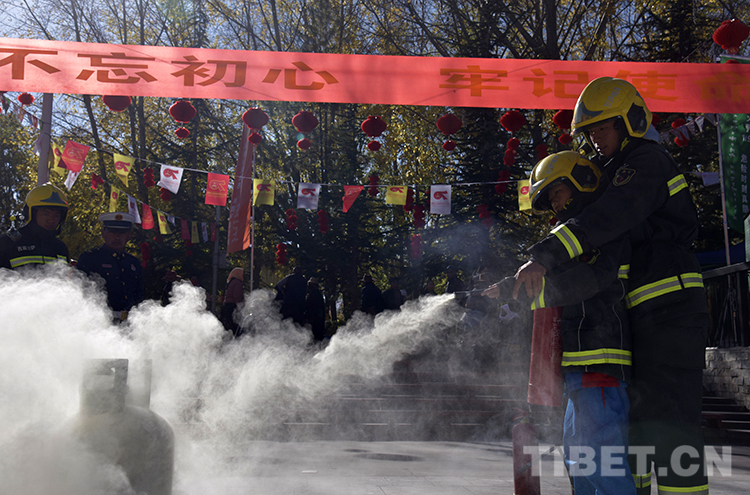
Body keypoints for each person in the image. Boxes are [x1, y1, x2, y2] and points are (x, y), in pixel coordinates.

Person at [513, 77, 709, 495]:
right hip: (641, 315)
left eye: (602, 128)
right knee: (635, 429)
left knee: (670, 424)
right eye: (590, 133)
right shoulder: (614, 172)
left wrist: (545, 255)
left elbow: (609, 217)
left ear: (629, 120)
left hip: (670, 307)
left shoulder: (646, 161)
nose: (596, 140)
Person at [486, 151, 634, 494]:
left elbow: (583, 281)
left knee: (599, 458)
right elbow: (552, 275)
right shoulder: (573, 239)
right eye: (550, 198)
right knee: (579, 457)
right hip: (579, 369)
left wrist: (529, 295)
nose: (555, 203)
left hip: (601, 362)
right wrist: (508, 287)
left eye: (557, 192)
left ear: (582, 183)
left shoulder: (602, 233)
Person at [77, 212, 144, 322]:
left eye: (122, 233)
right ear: (103, 233)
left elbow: (139, 296)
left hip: (129, 323)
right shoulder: (90, 258)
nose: (117, 237)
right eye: (113, 232)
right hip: (100, 321)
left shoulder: (133, 262)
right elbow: (80, 293)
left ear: (128, 236)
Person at [0, 183, 69, 269]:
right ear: (31, 213)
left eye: (56, 215)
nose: (51, 220)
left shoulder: (61, 248)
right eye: (45, 214)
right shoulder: (8, 243)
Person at [220, 267, 245, 336]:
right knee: (235, 326)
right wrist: (240, 307)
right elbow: (237, 295)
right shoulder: (237, 283)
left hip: (227, 306)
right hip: (232, 307)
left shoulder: (231, 282)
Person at [304, 277, 327, 343]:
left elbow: (308, 305)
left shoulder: (314, 293)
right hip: (317, 320)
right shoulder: (316, 293)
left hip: (315, 320)